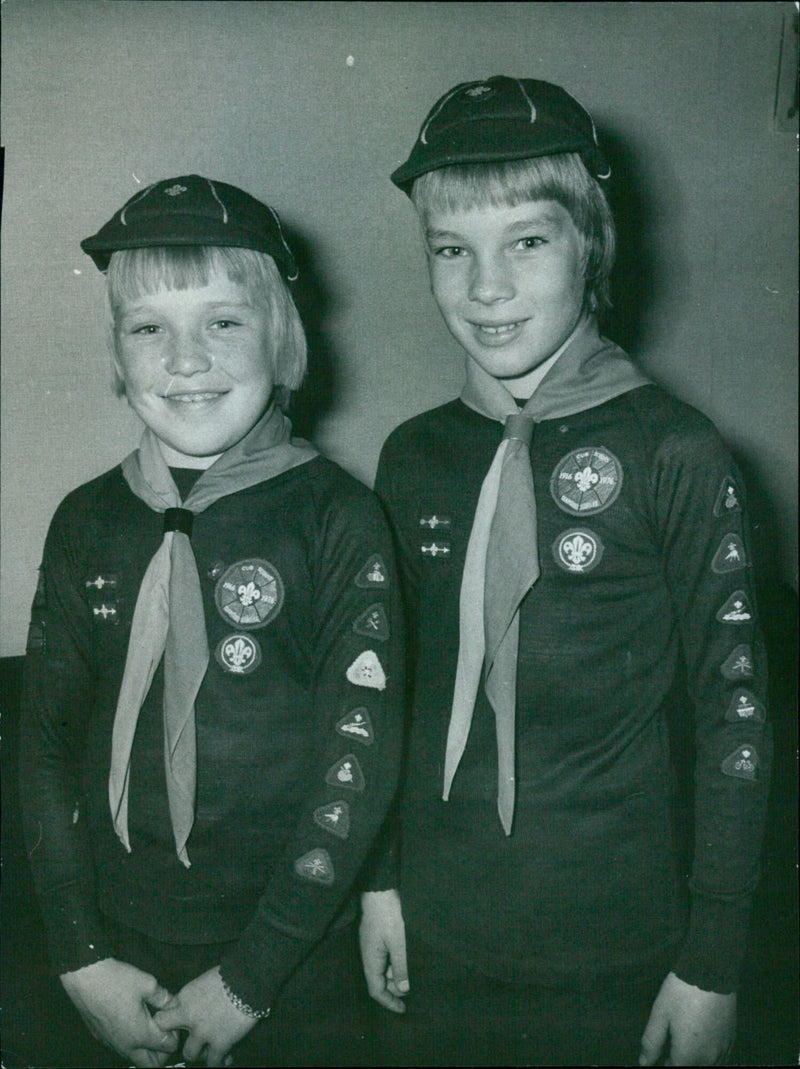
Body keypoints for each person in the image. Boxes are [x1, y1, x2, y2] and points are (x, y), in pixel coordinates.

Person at [359, 77, 771, 1066]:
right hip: (436, 925)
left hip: (616, 945)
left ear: (591, 243)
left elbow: (736, 719)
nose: (485, 287)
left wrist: (710, 962)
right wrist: (374, 884)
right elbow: (383, 693)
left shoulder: (675, 448)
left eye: (527, 242)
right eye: (450, 251)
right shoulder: (411, 454)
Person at [19, 174, 403, 1068]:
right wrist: (80, 957)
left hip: (291, 959)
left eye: (223, 321)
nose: (184, 358)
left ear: (283, 337)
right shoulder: (84, 521)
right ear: (118, 353)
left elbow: (359, 761)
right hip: (117, 949)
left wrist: (248, 981)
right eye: (148, 327)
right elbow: (42, 741)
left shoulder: (339, 519)